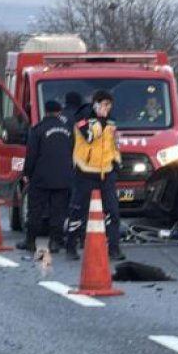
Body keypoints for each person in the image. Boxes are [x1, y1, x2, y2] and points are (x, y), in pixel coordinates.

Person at [66, 90, 124, 261]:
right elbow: (89, 137)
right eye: (104, 104)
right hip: (85, 171)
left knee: (112, 211)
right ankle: (71, 245)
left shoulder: (111, 121)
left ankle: (114, 248)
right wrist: (98, 122)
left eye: (109, 105)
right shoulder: (82, 117)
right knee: (78, 210)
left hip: (106, 171)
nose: (107, 108)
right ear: (96, 104)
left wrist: (117, 162)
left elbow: (114, 144)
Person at [18, 99, 74, 253]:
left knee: (35, 211)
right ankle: (55, 242)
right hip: (63, 177)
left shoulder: (37, 130)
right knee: (59, 211)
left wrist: (26, 173)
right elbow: (73, 152)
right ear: (59, 112)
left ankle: (30, 241)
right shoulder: (69, 131)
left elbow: (31, 155)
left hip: (41, 178)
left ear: (46, 111)